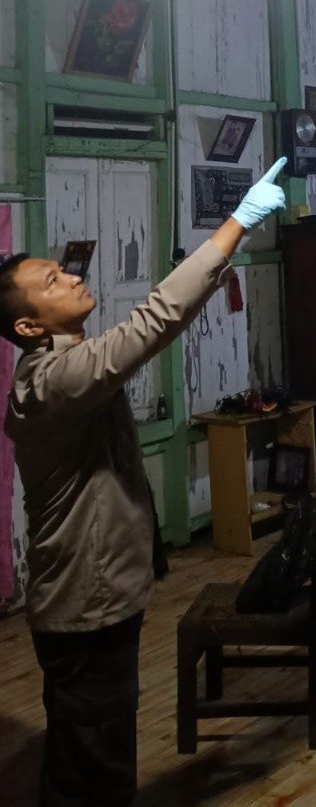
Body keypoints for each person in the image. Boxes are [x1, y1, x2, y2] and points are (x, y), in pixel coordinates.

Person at [0, 158, 287, 807]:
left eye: (63, 268)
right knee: (92, 771)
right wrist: (237, 223)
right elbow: (156, 321)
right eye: (52, 280)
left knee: (93, 751)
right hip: (84, 609)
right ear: (28, 327)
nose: (71, 275)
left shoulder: (68, 368)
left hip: (99, 602)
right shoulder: (50, 383)